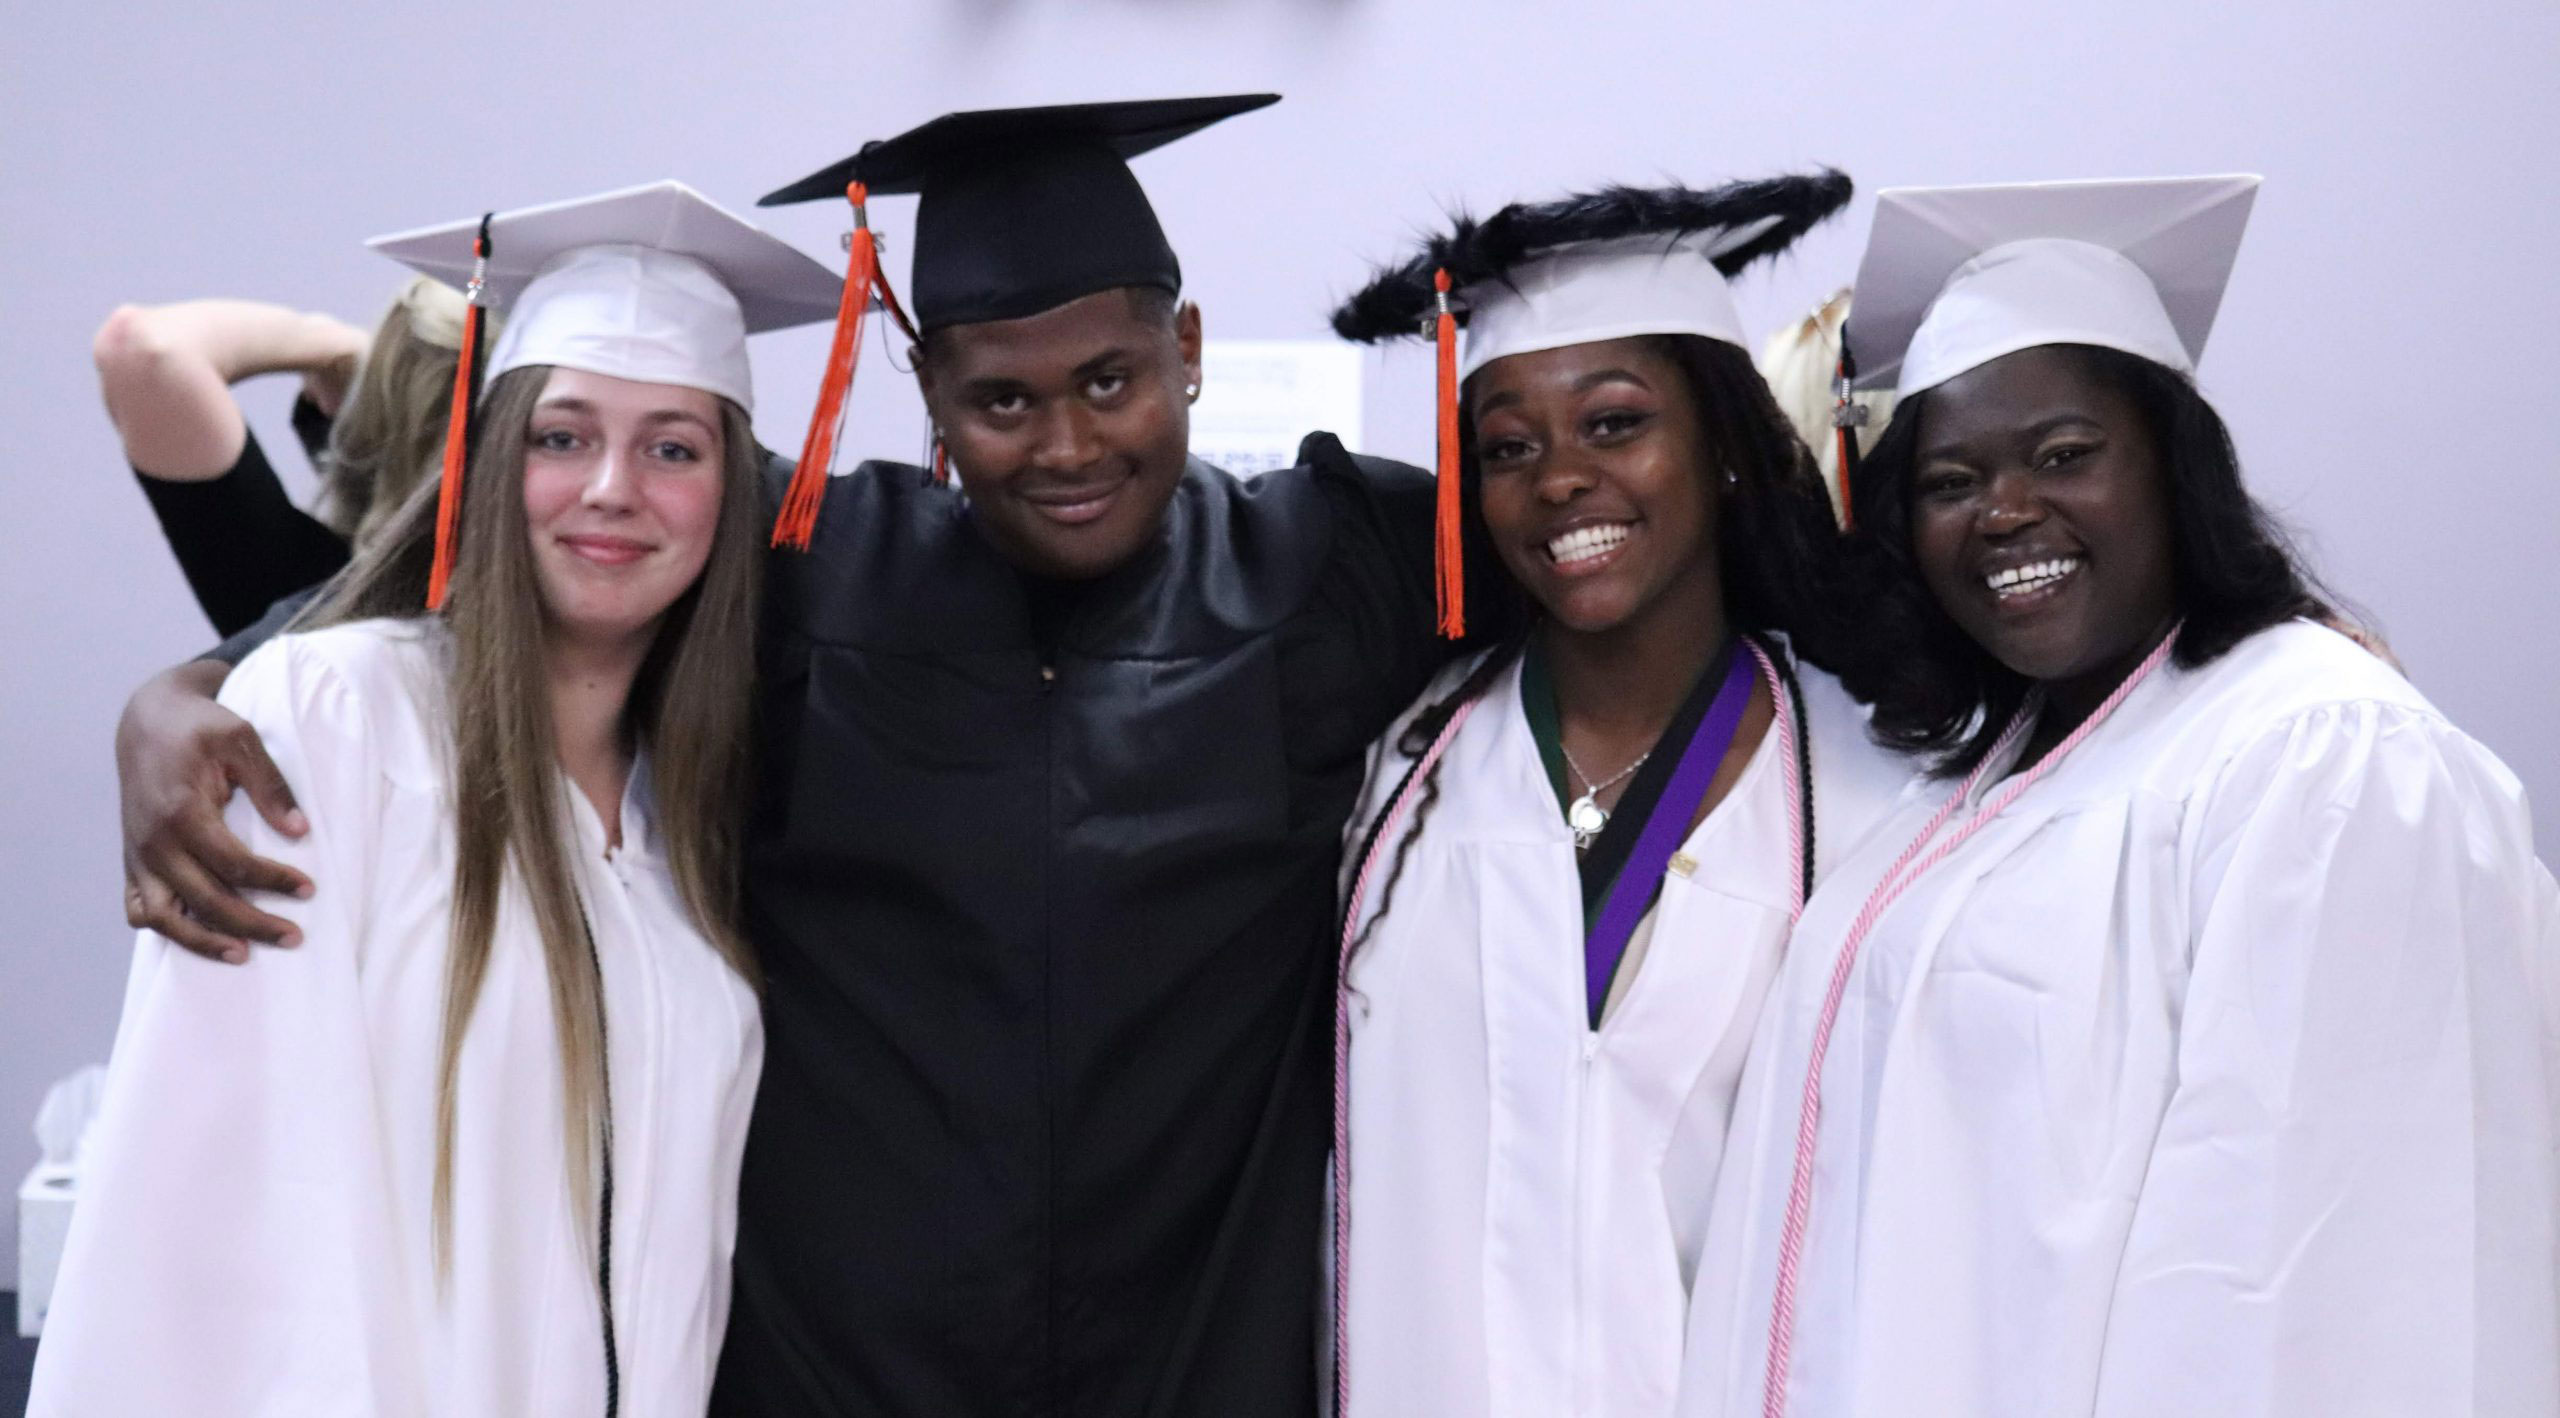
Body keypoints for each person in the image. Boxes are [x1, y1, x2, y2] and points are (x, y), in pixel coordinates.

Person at [110, 96, 1490, 1416]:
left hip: (1201, 1364)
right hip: (835, 1370)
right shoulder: (813, 570)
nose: (1066, 442)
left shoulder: (1326, 566)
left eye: (1113, 380)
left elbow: (1604, 571)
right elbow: (530, 563)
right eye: (1001, 400)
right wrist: (195, 685)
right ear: (926, 388)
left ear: (1187, 346)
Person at [1678, 176, 2560, 1418]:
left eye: (2064, 454)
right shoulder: (1979, 781)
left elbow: (2305, 1288)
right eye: (1949, 480)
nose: (2006, 511)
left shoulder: (2318, 757)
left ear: (2176, 467)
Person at [33, 180, 840, 1416]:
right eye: (563, 434)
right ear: (493, 456)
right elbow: (227, 1218)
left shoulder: (698, 815)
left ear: (731, 494)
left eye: (673, 446)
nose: (613, 485)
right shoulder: (336, 720)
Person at [1321, 173, 1916, 1417]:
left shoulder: (1868, 784)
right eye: (1507, 448)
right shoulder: (1402, 776)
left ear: (1724, 447)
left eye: (1614, 423)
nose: (1557, 481)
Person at [94, 277, 480, 635]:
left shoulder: (331, 609)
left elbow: (142, 346)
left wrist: (342, 348)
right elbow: (142, 348)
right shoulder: (340, 615)